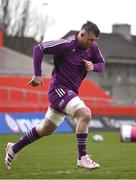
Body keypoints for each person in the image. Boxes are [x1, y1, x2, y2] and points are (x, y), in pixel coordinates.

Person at [5, 21, 105, 170]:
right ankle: (82, 157)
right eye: (89, 39)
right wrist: (37, 75)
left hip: (70, 93)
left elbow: (102, 64)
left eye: (94, 41)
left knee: (45, 129)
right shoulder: (66, 44)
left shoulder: (92, 47)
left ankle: (14, 148)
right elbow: (38, 48)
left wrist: (93, 66)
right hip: (58, 90)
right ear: (82, 34)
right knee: (85, 114)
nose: (91, 43)